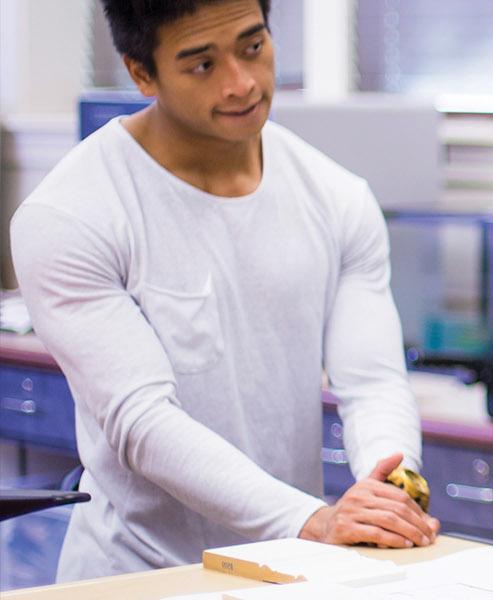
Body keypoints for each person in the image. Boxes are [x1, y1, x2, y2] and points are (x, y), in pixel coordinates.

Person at [9, 0, 438, 580]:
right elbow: (142, 421)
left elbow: (373, 381)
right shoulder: (70, 215)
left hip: (290, 570)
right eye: (202, 65)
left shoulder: (336, 196)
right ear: (141, 73)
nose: (242, 83)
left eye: (253, 47)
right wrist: (312, 520)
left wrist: (391, 486)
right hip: (141, 575)